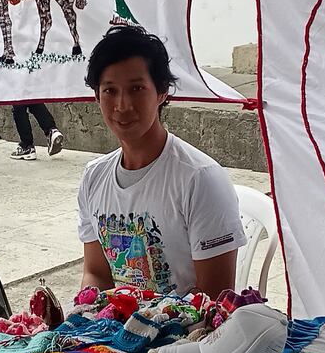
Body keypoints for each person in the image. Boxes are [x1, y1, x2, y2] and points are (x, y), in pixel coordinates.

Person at [77, 26, 246, 297]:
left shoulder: (200, 179)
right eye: (110, 91)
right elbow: (96, 273)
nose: (122, 105)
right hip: (116, 322)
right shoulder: (94, 177)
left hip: (188, 323)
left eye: (136, 89)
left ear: (162, 92)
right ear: (97, 96)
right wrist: (85, 312)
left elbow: (215, 298)